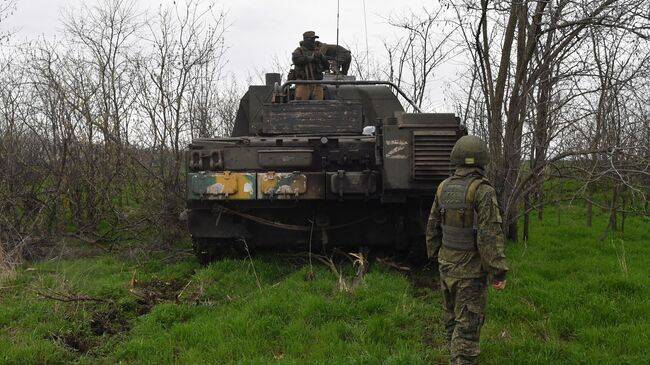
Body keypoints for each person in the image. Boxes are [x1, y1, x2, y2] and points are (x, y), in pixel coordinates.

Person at [426, 135, 509, 365]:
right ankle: (460, 359)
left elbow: (432, 226)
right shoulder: (483, 191)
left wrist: (437, 256)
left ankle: (453, 355)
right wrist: (498, 271)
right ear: (482, 160)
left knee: (451, 318)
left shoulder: (444, 187)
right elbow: (489, 235)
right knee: (468, 325)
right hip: (470, 272)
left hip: (447, 265)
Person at [291, 31, 330, 100]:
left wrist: (321, 57)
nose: (313, 41)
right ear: (305, 39)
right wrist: (310, 59)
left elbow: (327, 66)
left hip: (317, 84)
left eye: (314, 39)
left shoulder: (318, 52)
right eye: (311, 39)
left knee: (319, 106)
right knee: (301, 106)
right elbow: (296, 60)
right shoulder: (299, 50)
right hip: (303, 83)